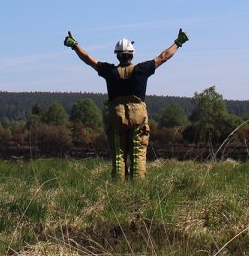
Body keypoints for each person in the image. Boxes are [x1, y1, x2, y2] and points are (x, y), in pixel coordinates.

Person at [64, 28, 189, 180]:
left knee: (118, 155)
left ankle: (119, 187)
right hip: (138, 116)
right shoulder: (142, 70)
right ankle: (137, 188)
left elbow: (89, 59)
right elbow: (163, 57)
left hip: (116, 117)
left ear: (117, 55)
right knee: (138, 154)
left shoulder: (109, 71)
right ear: (132, 54)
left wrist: (74, 45)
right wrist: (178, 42)